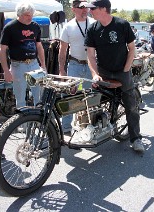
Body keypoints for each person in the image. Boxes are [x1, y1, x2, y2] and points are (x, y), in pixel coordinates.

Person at [84, 0, 145, 152]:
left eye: (93, 8)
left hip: (122, 71)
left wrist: (126, 68)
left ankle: (136, 138)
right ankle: (99, 128)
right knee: (95, 101)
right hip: (103, 72)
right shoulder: (93, 28)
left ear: (103, 9)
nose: (90, 11)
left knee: (130, 105)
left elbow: (132, 49)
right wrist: (95, 74)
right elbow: (90, 55)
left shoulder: (122, 24)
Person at [0, 2, 46, 108]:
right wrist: (6, 71)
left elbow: (39, 46)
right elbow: (2, 50)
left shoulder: (35, 26)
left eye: (31, 15)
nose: (30, 18)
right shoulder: (10, 27)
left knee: (39, 97)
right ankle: (22, 124)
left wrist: (43, 65)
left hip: (34, 64)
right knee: (20, 99)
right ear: (19, 14)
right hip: (18, 65)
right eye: (27, 15)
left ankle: (38, 123)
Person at [58, 0, 94, 133]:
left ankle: (87, 126)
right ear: (73, 9)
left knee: (90, 97)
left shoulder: (94, 23)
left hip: (91, 67)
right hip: (75, 66)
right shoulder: (68, 26)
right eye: (81, 8)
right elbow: (62, 50)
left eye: (87, 7)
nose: (85, 10)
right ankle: (66, 128)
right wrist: (62, 71)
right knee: (71, 96)